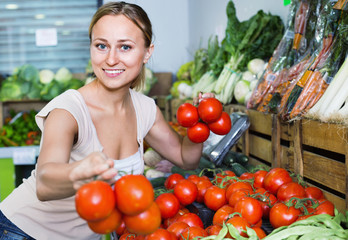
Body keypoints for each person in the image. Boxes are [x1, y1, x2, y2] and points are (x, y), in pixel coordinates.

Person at [0, 1, 214, 239]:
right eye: (101, 45)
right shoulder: (68, 110)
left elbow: (187, 159)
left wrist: (201, 119)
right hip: (21, 231)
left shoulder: (145, 109)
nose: (111, 59)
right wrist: (81, 170)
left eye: (125, 47)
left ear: (147, 52)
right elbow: (44, 184)